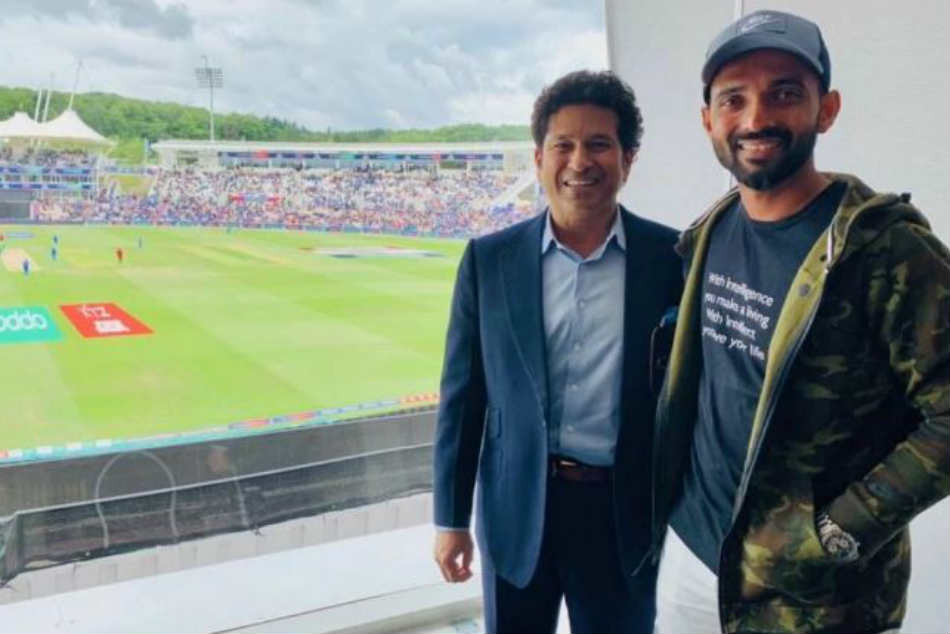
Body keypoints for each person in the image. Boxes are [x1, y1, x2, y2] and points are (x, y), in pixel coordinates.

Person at [651, 10, 949, 634]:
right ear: (708, 119)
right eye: (734, 99)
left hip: (815, 602)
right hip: (692, 561)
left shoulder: (886, 250)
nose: (756, 118)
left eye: (784, 93)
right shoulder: (713, 230)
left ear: (827, 109)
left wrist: (840, 530)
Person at [432, 70, 683, 634]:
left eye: (599, 144)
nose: (579, 161)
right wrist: (450, 519)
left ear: (628, 159)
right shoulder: (488, 262)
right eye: (563, 145)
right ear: (539, 157)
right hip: (517, 509)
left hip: (622, 516)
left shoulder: (672, 259)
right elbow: (463, 399)